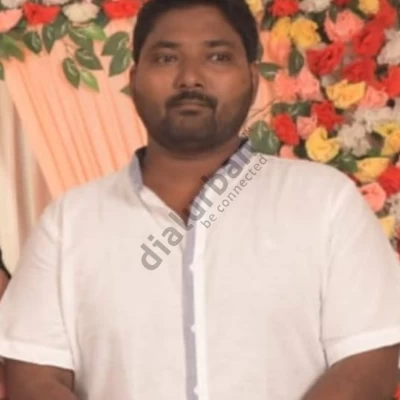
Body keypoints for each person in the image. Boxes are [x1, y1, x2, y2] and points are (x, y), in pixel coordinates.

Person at [1, 0, 400, 399]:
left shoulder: (325, 202)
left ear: (252, 78)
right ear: (134, 79)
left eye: (217, 57)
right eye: (167, 58)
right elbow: (32, 376)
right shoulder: (68, 223)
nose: (190, 78)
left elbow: (370, 360)